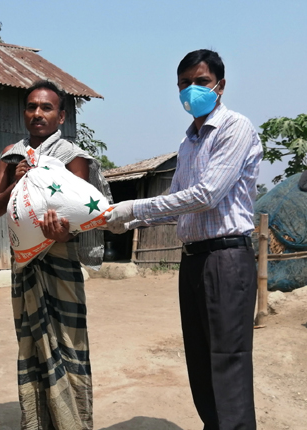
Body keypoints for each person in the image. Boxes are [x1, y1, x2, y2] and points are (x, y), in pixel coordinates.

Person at [104, 49, 262, 429]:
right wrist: (128, 222)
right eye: (184, 83)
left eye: (201, 81)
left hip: (226, 258)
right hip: (192, 259)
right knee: (200, 360)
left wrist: (134, 206)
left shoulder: (234, 128)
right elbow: (177, 205)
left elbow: (207, 195)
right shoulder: (188, 143)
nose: (192, 89)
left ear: (220, 85)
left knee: (228, 361)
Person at [0, 80, 111, 430]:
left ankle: (74, 422)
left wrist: (62, 232)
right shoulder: (12, 155)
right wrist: (16, 184)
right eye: (31, 107)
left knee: (70, 342)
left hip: (61, 261)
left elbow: (80, 218)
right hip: (25, 264)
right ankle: (37, 421)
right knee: (31, 342)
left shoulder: (72, 157)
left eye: (46, 107)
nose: (37, 113)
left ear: (61, 116)